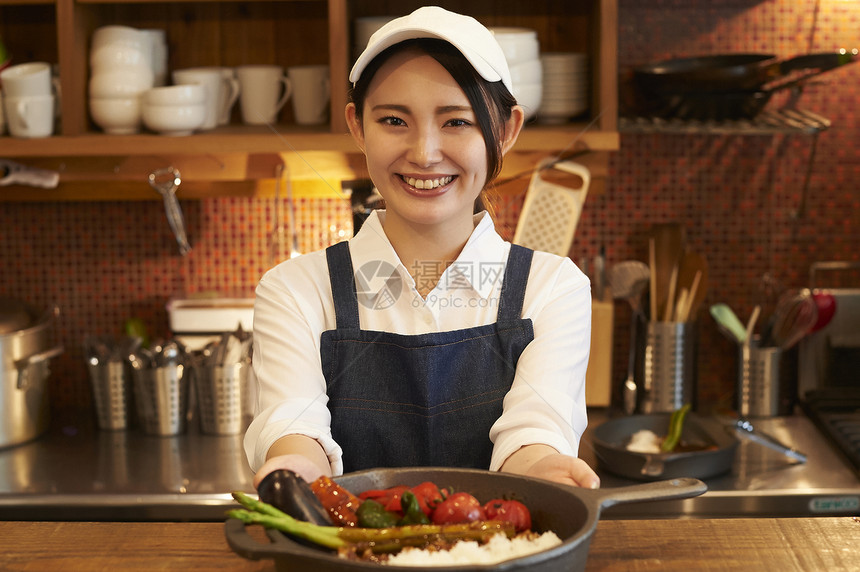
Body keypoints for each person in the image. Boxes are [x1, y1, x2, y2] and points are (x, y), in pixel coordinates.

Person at [244, 6, 599, 489]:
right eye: (394, 119)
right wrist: (294, 470)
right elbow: (293, 425)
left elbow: (534, 432)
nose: (425, 153)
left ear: (506, 130)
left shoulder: (553, 288)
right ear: (357, 126)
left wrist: (541, 469)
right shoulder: (295, 290)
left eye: (456, 122)